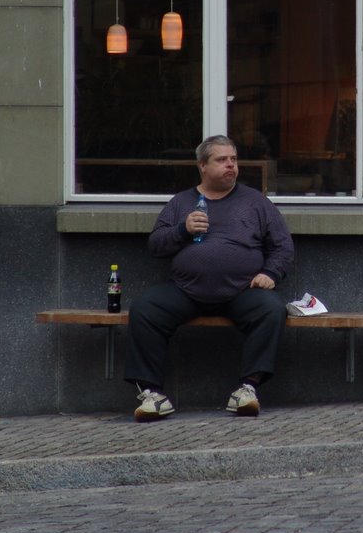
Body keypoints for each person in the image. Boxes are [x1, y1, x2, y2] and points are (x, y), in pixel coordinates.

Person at [124, 135, 294, 421]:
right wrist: (182, 230)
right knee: (145, 308)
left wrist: (270, 273)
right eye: (222, 160)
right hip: (186, 291)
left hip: (241, 291)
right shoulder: (181, 203)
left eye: (234, 159)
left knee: (271, 308)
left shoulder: (256, 202)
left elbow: (283, 245)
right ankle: (153, 394)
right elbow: (155, 246)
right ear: (202, 165)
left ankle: (247, 389)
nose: (231, 165)